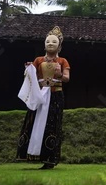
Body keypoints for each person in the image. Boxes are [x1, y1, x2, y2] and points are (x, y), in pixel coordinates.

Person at [16, 26, 70, 169]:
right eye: (48, 41)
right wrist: (28, 68)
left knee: (52, 126)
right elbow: (31, 75)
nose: (50, 44)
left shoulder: (63, 61)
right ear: (44, 44)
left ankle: (50, 158)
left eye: (54, 42)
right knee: (33, 122)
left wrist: (59, 74)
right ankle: (31, 154)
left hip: (55, 94)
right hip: (40, 94)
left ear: (59, 45)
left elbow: (66, 78)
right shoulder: (38, 60)